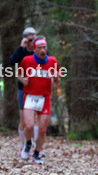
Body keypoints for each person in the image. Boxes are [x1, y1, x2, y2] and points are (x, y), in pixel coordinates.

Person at [18, 37, 60, 163]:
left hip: (45, 98)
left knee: (42, 129)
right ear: (34, 49)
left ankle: (36, 154)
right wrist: (22, 80)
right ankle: (28, 143)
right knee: (29, 125)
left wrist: (56, 78)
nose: (43, 50)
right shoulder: (27, 60)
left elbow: (57, 81)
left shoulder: (52, 61)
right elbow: (19, 74)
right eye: (40, 48)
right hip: (30, 97)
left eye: (44, 48)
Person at [9, 27, 37, 159]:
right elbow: (11, 62)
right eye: (30, 39)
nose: (32, 42)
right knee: (24, 120)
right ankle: (23, 144)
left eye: (34, 39)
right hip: (23, 89)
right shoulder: (22, 52)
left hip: (37, 90)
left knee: (36, 119)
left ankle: (36, 146)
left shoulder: (39, 51)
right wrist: (21, 47)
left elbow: (49, 59)